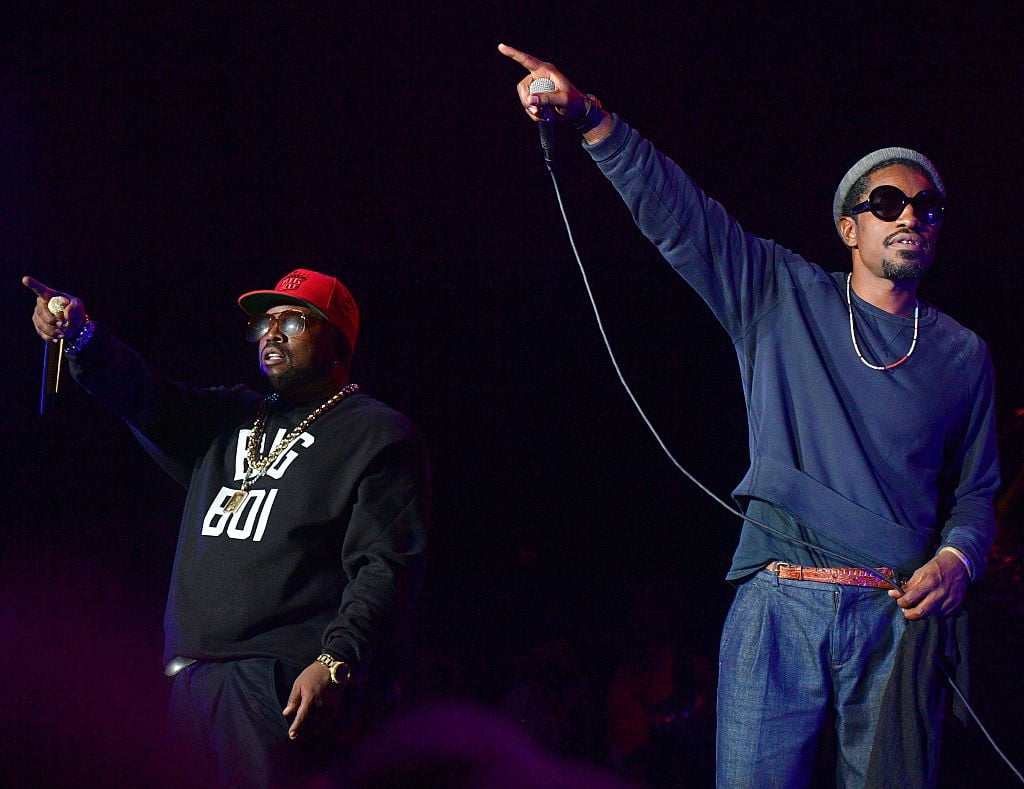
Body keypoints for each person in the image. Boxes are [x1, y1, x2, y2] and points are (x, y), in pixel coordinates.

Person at [499, 44, 999, 787]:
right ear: (849, 228)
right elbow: (683, 218)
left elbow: (977, 493)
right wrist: (590, 119)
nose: (910, 217)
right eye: (887, 203)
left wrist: (959, 559)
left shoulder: (963, 354)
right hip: (779, 602)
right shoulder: (780, 293)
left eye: (927, 208)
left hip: (896, 615)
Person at [23, 268, 430, 787]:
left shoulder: (375, 432)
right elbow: (149, 397)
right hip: (192, 677)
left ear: (338, 340)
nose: (272, 334)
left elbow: (386, 564)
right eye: (264, 323)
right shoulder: (233, 415)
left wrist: (335, 660)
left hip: (277, 679)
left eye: (293, 321)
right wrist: (83, 336)